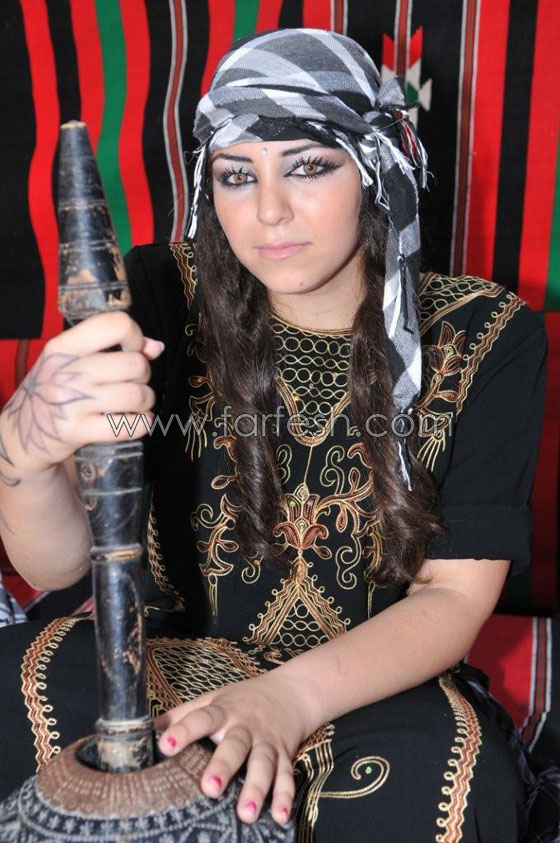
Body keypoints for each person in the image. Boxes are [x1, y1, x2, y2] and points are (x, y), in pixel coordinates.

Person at [0, 28, 553, 841]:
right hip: (163, 663)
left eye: (307, 166)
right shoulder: (160, 292)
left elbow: (454, 597)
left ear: (375, 168)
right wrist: (24, 455)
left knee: (451, 795)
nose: (268, 211)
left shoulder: (486, 334)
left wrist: (285, 698)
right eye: (236, 174)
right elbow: (57, 565)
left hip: (373, 687)